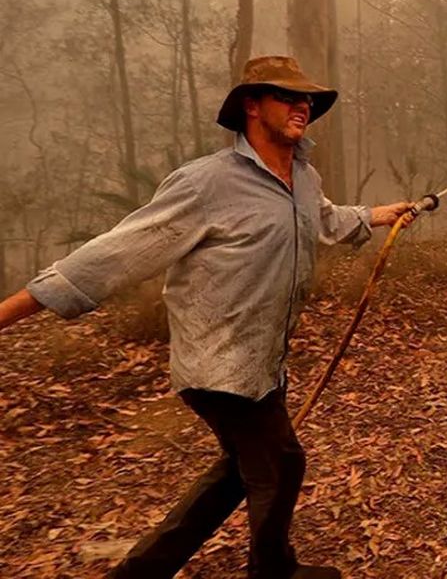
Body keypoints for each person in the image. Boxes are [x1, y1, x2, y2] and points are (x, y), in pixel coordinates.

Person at [0, 56, 415, 579]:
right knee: (282, 464)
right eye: (287, 96)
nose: (302, 106)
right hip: (217, 366)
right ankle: (273, 571)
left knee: (239, 473)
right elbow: (111, 254)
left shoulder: (304, 178)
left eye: (307, 98)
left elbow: (326, 220)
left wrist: (381, 214)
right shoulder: (206, 184)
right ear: (251, 106)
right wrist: (9, 312)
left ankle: (139, 572)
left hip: (262, 362)